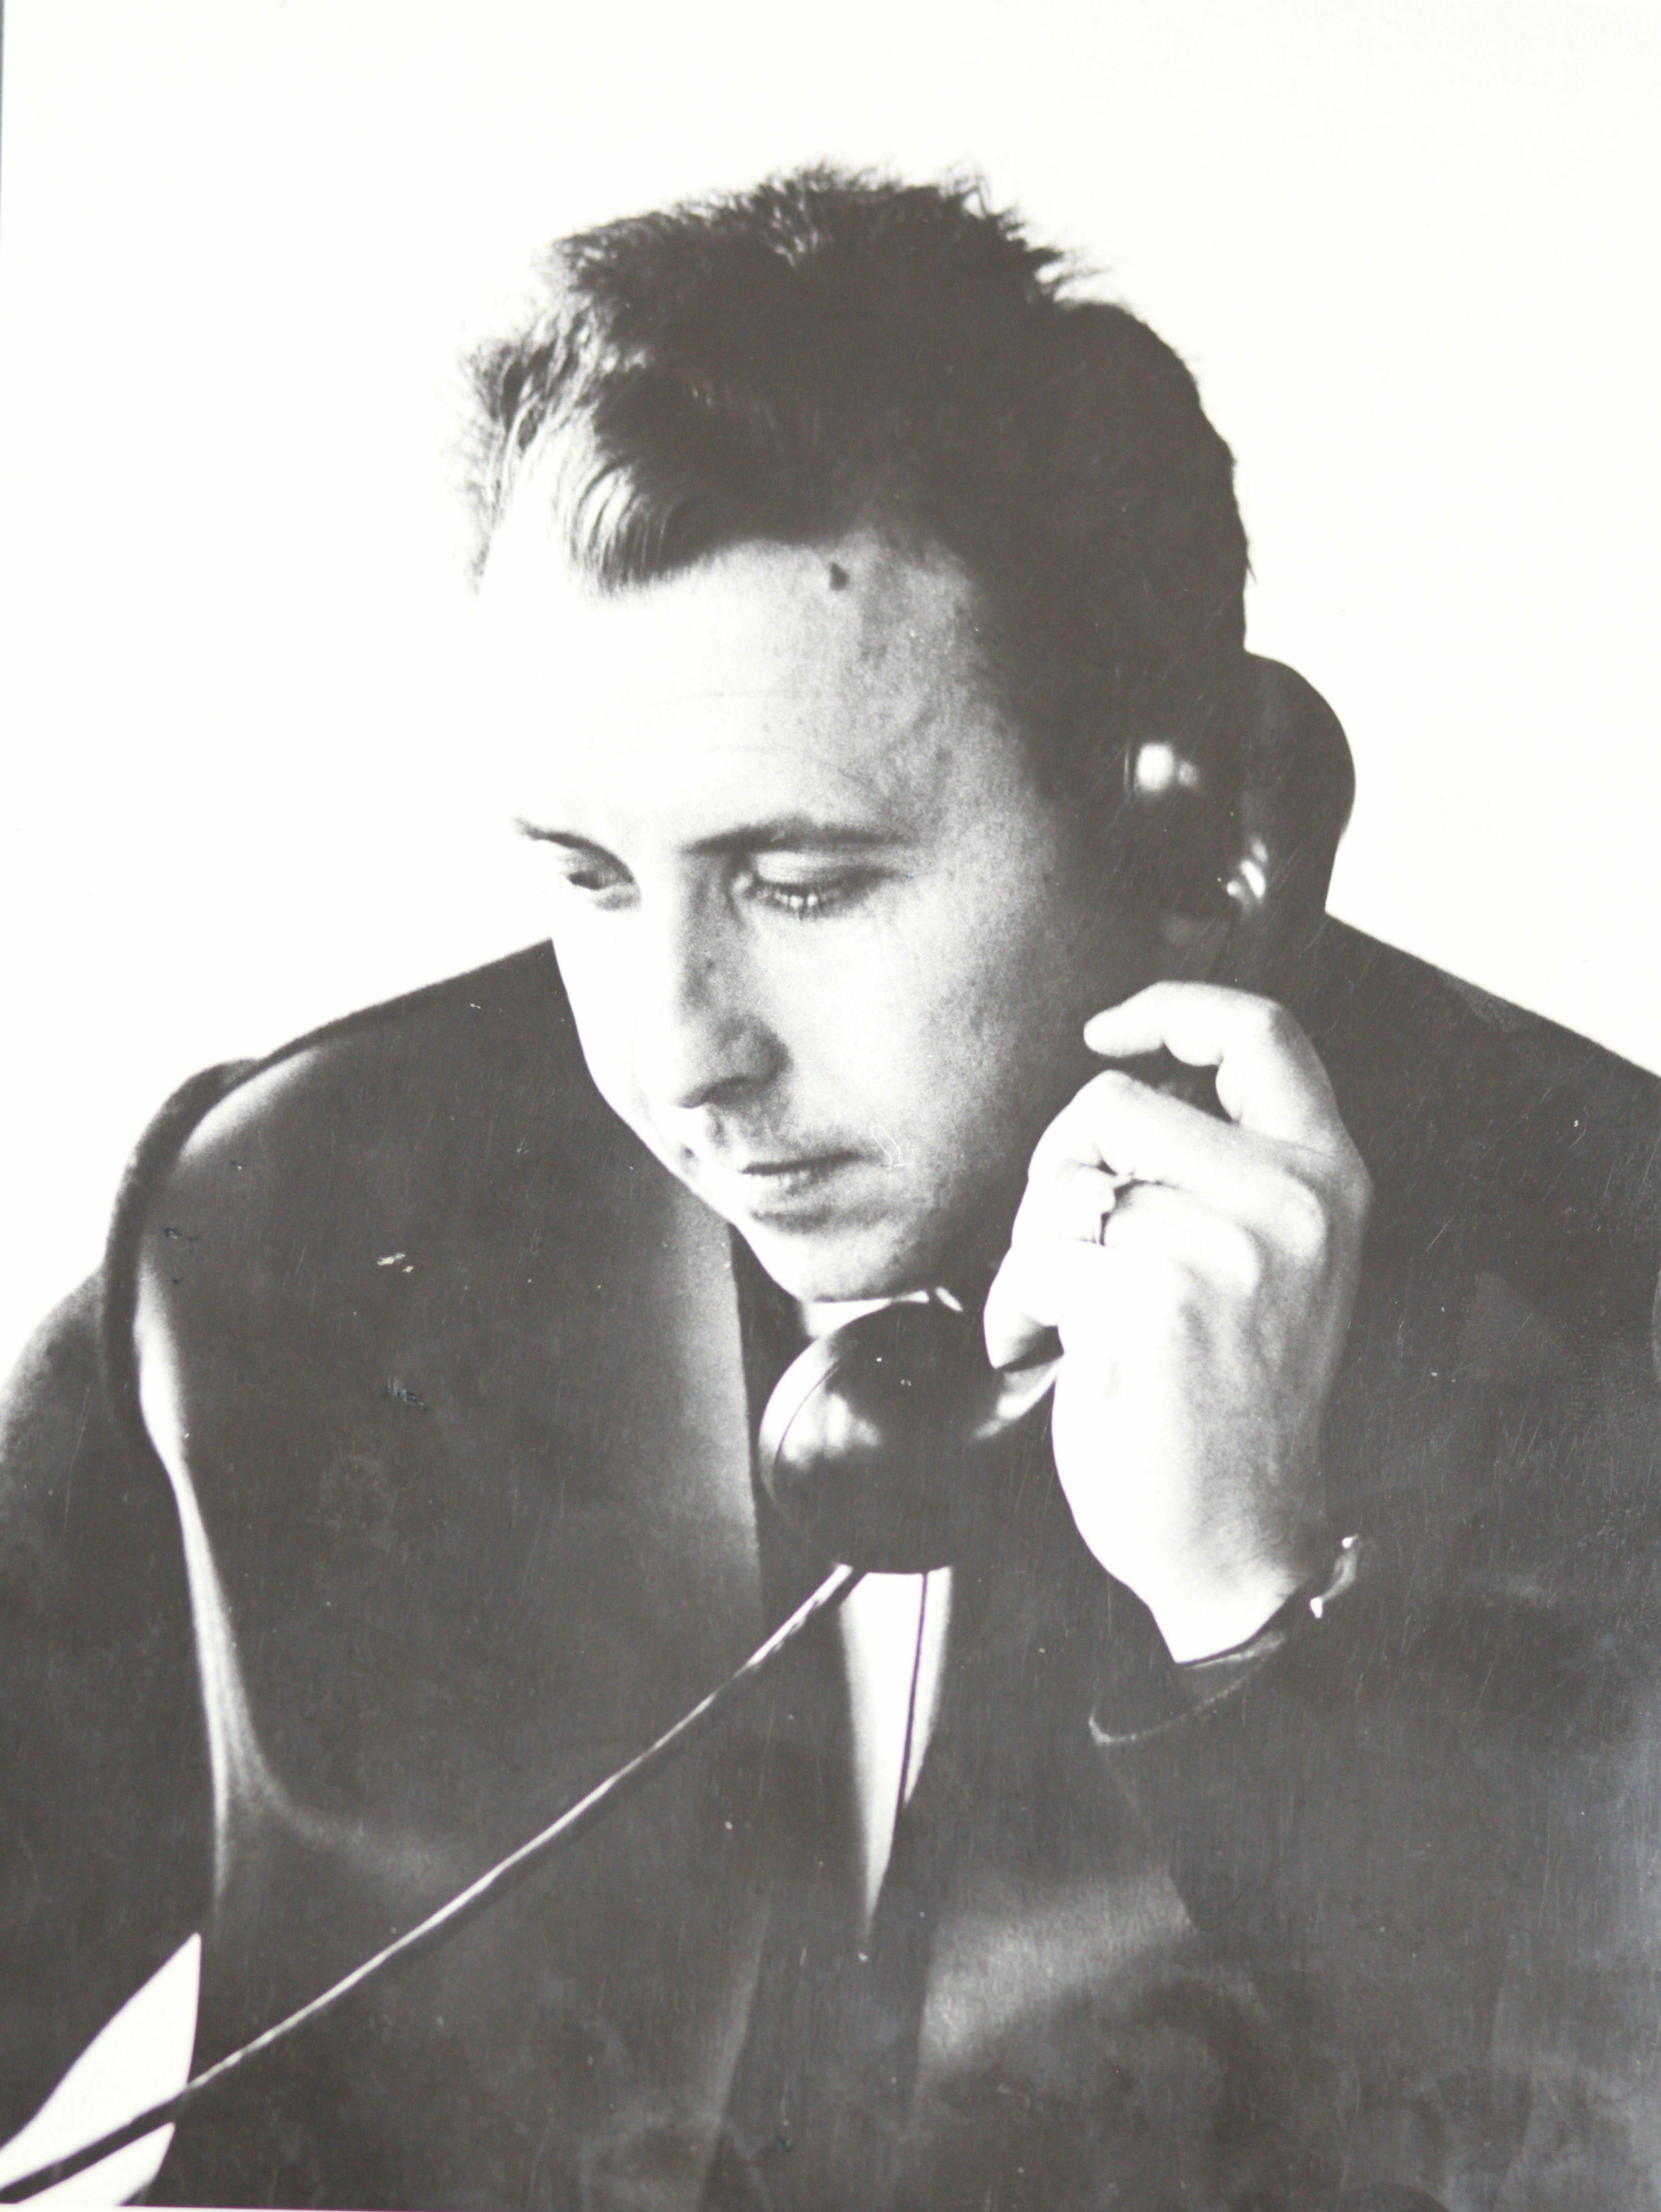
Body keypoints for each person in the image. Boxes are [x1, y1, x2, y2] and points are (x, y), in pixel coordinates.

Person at [2, 168, 1659, 2212]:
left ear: (1198, 833)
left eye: (799, 884)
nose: (679, 1050)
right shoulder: (272, 1225)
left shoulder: (1617, 1293)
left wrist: (1251, 1620)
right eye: (590, 880)